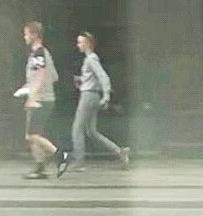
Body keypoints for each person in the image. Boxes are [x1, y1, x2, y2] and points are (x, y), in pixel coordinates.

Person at [67, 32, 129, 172]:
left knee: (77, 129)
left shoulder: (91, 59)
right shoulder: (90, 59)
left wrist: (106, 95)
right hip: (92, 94)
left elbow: (104, 77)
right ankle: (120, 152)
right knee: (91, 131)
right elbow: (95, 79)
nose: (78, 45)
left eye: (80, 42)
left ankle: (79, 161)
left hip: (88, 96)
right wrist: (82, 81)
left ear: (87, 44)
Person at [21, 21, 68, 180]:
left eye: (27, 33)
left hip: (41, 100)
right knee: (33, 135)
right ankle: (40, 167)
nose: (25, 37)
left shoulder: (39, 53)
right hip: (43, 97)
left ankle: (60, 155)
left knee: (33, 135)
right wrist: (28, 87)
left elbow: (40, 75)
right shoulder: (42, 53)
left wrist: (33, 97)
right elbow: (53, 76)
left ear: (35, 35)